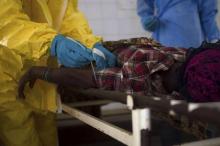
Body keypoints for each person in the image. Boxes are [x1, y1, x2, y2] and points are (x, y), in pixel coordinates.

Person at [0, 0, 116, 146]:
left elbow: (70, 19)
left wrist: (90, 43)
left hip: (43, 78)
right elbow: (7, 22)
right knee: (19, 135)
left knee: (48, 137)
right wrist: (51, 42)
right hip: (7, 76)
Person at [137, 0, 220, 48]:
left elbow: (208, 14)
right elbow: (144, 3)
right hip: (165, 34)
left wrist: (214, 38)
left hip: (192, 36)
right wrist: (146, 18)